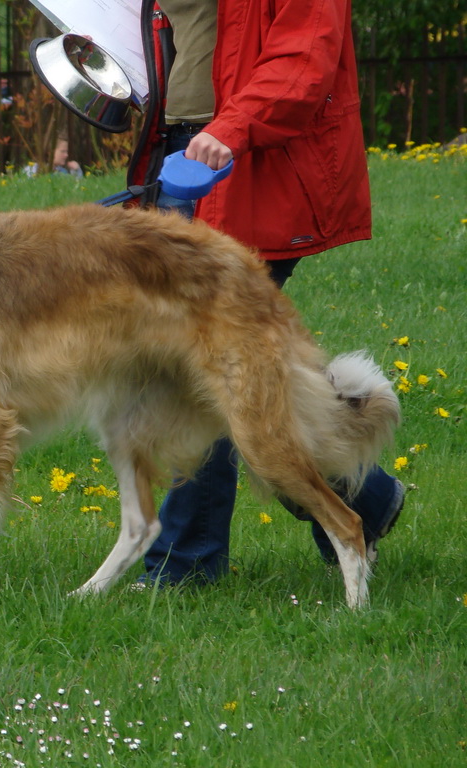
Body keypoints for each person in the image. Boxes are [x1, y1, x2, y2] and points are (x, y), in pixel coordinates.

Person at [125, 0, 405, 585]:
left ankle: (185, 566)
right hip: (184, 158)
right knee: (206, 371)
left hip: (248, 161)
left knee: (205, 374)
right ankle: (364, 494)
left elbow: (304, 58)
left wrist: (229, 129)